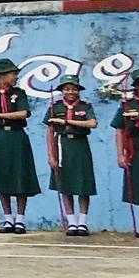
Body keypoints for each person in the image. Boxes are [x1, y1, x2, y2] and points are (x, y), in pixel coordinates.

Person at [0, 58, 39, 234]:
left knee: (20, 176)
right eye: (13, 74)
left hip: (17, 137)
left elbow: (23, 113)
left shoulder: (19, 93)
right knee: (1, 177)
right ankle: (8, 219)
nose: (15, 77)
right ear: (1, 75)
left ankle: (20, 219)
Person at [45, 73, 97, 237]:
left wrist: (68, 122)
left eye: (74, 89)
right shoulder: (55, 108)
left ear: (78, 90)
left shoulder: (85, 106)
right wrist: (51, 155)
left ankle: (82, 222)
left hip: (80, 145)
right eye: (67, 89)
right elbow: (50, 131)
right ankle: (72, 222)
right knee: (65, 185)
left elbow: (92, 123)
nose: (70, 92)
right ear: (62, 91)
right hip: (62, 145)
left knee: (83, 185)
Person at [110, 69, 139, 238]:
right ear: (137, 86)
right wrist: (120, 154)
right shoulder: (127, 105)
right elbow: (119, 130)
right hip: (137, 150)